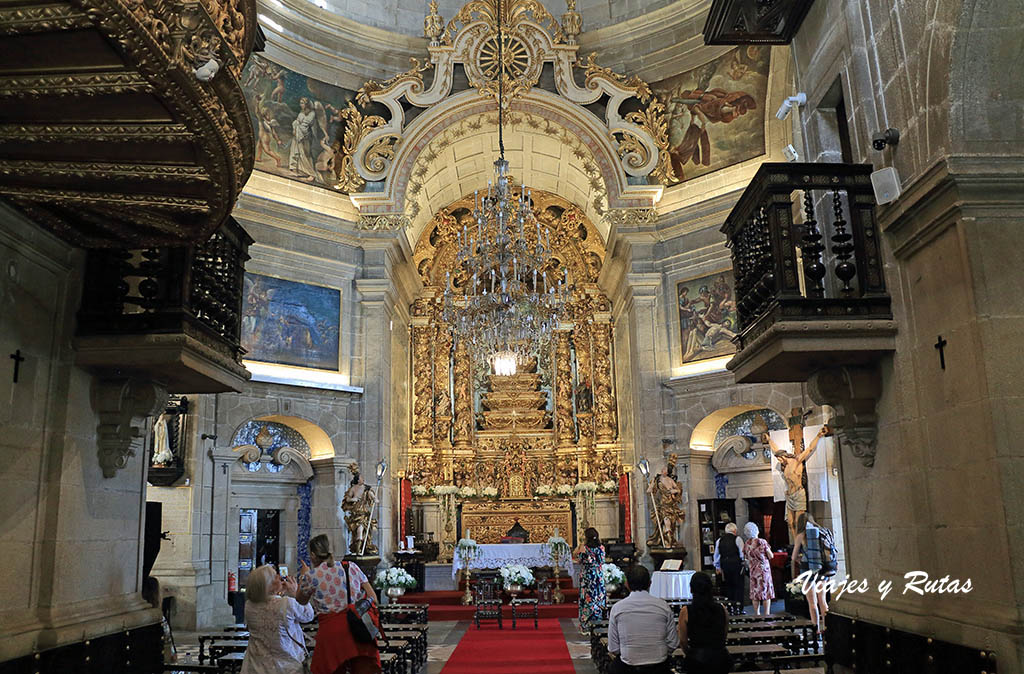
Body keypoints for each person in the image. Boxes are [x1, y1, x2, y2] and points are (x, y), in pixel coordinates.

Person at [297, 534, 381, 674]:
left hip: (331, 633)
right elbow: (373, 598)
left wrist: (303, 576)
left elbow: (300, 600)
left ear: (312, 555)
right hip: (356, 628)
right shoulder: (350, 566)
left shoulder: (311, 576)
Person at [240, 564, 314, 674]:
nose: (280, 577)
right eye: (275, 576)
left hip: (256, 666)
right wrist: (295, 592)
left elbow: (268, 604)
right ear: (268, 585)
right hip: (286, 667)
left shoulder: (249, 606)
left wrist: (278, 593)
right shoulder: (287, 603)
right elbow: (308, 615)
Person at [607, 565, 679, 674]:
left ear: (627, 584)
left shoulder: (618, 608)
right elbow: (673, 643)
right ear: (650, 583)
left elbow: (613, 648)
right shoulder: (663, 606)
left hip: (629, 667)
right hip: (658, 668)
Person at [677, 572, 731, 674]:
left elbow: (683, 641)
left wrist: (691, 653)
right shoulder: (722, 609)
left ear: (691, 589)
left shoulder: (686, 611)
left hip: (697, 660)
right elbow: (724, 635)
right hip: (720, 659)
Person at [791, 513, 832, 633]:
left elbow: (794, 556)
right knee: (823, 600)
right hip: (823, 570)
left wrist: (801, 559)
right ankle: (827, 627)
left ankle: (816, 629)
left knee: (812, 602)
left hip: (808, 571)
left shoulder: (801, 535)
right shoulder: (821, 531)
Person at [575, 527, 606, 634]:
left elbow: (579, 560)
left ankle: (586, 626)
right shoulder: (601, 548)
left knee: (587, 599)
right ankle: (598, 623)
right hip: (598, 576)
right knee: (598, 597)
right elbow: (602, 561)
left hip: (587, 576)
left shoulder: (584, 548)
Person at [742, 522, 775, 615]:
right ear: (756, 530)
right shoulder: (762, 542)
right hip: (763, 570)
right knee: (765, 592)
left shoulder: (747, 543)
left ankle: (757, 613)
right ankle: (767, 613)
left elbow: (746, 557)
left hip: (753, 570)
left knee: (755, 593)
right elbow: (771, 556)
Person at [713, 522, 744, 604]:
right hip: (736, 565)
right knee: (738, 587)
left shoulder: (719, 540)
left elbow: (716, 555)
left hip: (725, 565)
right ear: (734, 530)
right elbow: (742, 554)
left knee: (728, 586)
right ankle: (738, 607)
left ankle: (730, 606)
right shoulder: (738, 539)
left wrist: (717, 567)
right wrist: (744, 563)